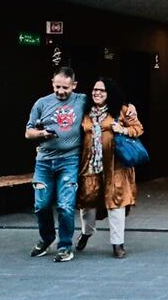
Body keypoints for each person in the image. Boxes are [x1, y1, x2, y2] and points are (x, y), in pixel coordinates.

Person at [24, 66, 88, 262]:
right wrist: (42, 133)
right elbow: (28, 133)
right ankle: (47, 238)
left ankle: (65, 246)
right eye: (57, 87)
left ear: (74, 85)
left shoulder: (81, 100)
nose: (61, 91)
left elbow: (106, 99)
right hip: (44, 161)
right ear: (52, 84)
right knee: (41, 205)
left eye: (65, 88)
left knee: (65, 206)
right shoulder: (41, 103)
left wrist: (129, 107)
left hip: (69, 160)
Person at [76, 77, 144, 258]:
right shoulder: (84, 111)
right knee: (87, 201)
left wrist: (123, 130)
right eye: (95, 89)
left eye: (102, 90)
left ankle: (117, 244)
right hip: (90, 165)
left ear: (110, 93)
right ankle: (86, 233)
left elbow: (138, 128)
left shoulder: (122, 110)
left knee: (116, 203)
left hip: (116, 167)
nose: (97, 93)